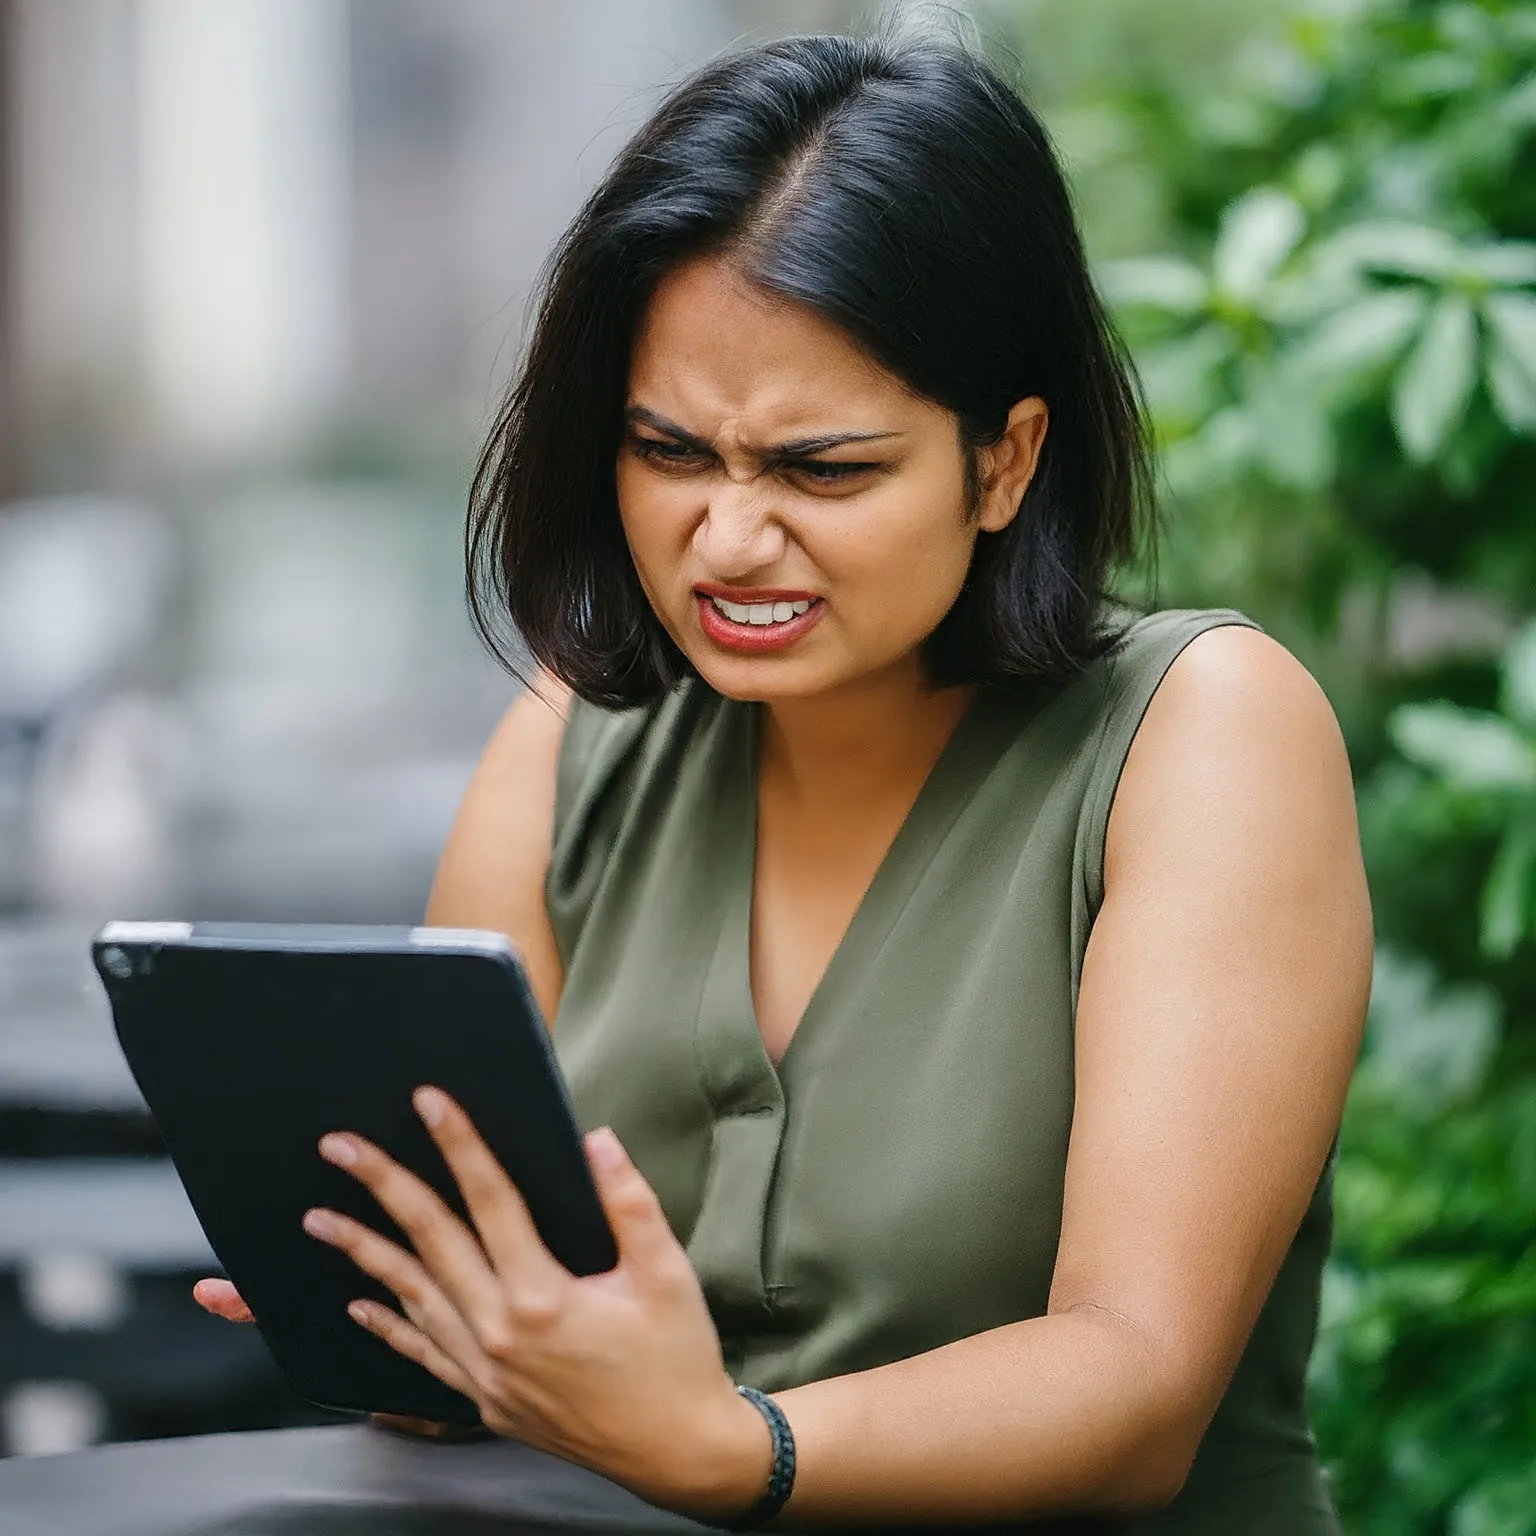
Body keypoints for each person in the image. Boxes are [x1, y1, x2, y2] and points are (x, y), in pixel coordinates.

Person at [195, 28, 1372, 1533]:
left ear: (1004, 462)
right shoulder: (575, 742)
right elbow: (492, 1356)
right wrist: (417, 1319)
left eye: (823, 469)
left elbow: (1136, 1379)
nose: (730, 539)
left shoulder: (1202, 731)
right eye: (669, 450)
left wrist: (727, 1445)